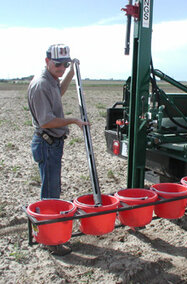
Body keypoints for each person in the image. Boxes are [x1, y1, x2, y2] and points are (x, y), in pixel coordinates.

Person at [28, 44, 88, 255]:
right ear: (47, 61)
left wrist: (71, 73)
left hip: (52, 144)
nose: (61, 68)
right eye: (58, 65)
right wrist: (73, 120)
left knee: (53, 189)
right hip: (47, 143)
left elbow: (59, 92)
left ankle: (50, 235)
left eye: (65, 64)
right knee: (51, 193)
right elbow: (46, 121)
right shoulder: (41, 85)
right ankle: (50, 241)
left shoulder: (52, 81)